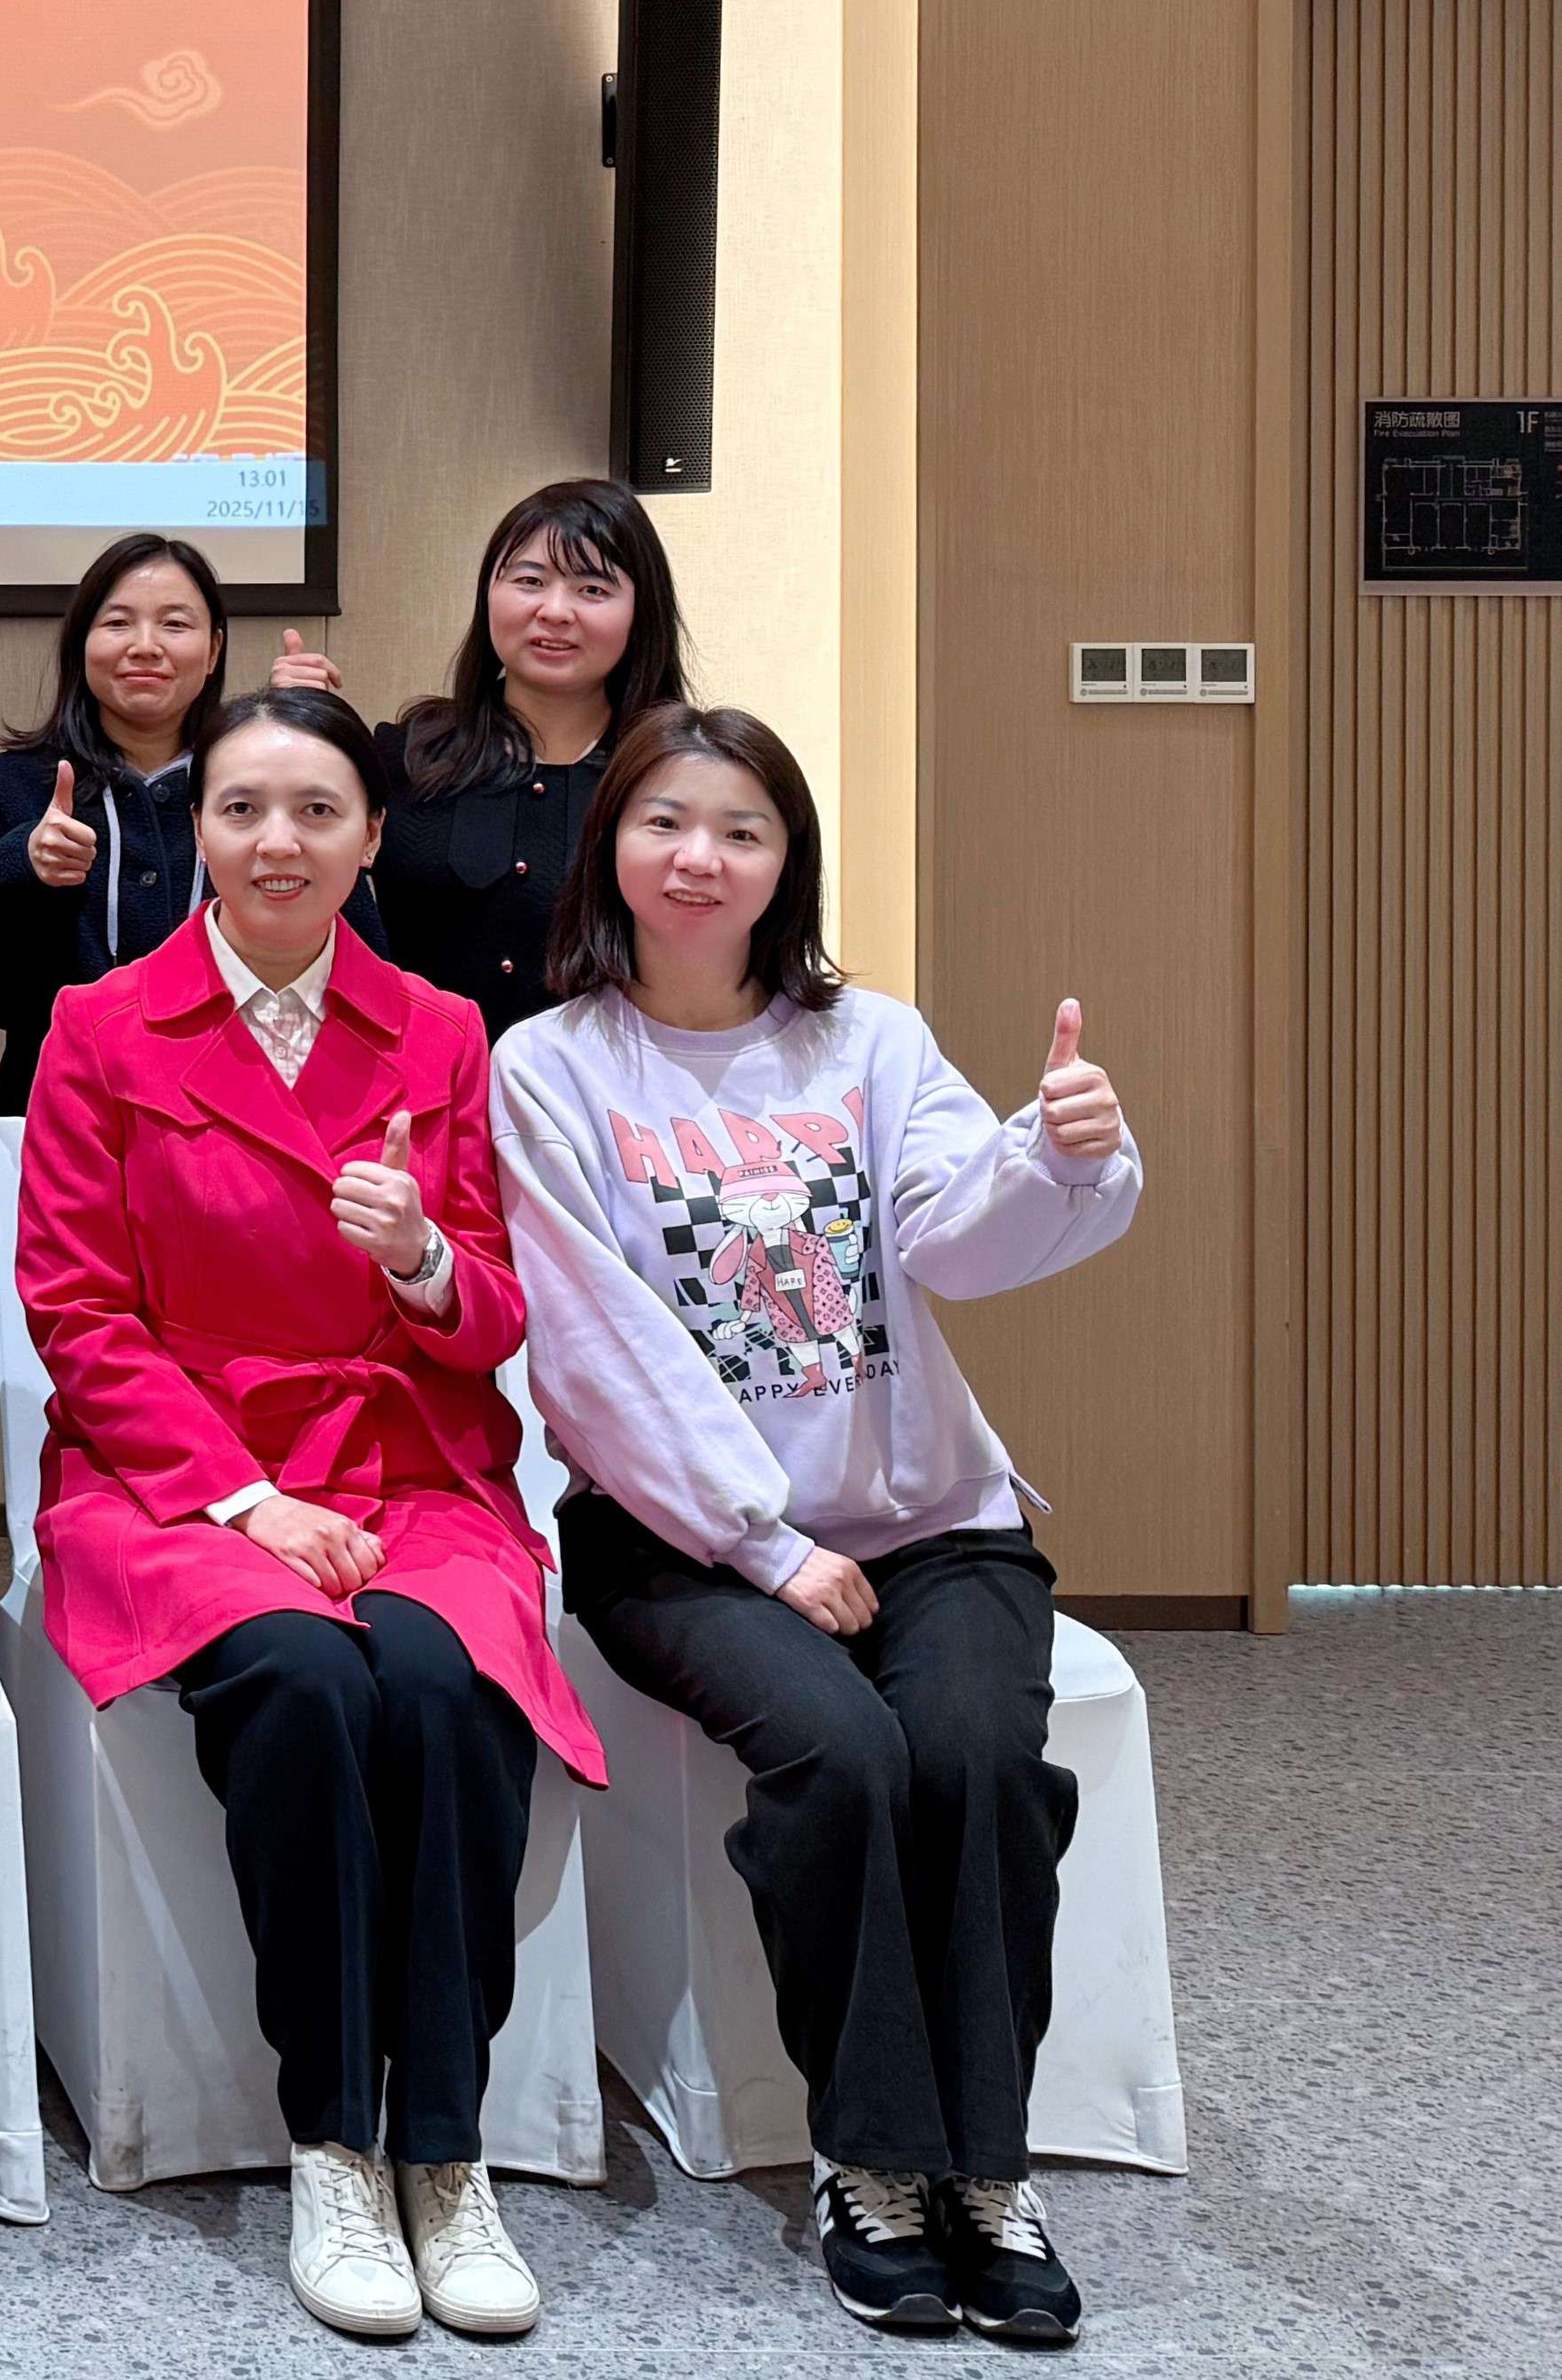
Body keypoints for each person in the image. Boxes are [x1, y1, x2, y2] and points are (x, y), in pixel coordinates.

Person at [499, 706, 1137, 2347]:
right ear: (610, 846)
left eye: (743, 829)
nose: (699, 858)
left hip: (933, 1520)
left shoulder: (871, 1040)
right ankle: (875, 2156)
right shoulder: (549, 1065)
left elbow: (958, 1238)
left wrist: (1061, 1156)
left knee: (978, 1759)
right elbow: (594, 1350)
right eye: (665, 822)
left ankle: (985, 2170)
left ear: (789, 862)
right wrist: (766, 1544)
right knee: (844, 1758)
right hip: (680, 1538)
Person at [8, 685, 603, 2346]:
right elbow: (76, 1309)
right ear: (196, 828)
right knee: (303, 1678)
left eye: (318, 810)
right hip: (177, 1474)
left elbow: (495, 1311)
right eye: (244, 808)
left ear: (372, 836)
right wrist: (249, 1498)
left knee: (444, 1685)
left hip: (408, 1462)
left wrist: (419, 1257)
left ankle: (445, 2149)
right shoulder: (101, 1024)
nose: (280, 842)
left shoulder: (441, 1030)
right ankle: (335, 2139)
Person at [275, 477, 692, 1041]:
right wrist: (296, 742)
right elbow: (302, 892)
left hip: (607, 1087)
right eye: (529, 581)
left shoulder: (677, 776)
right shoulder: (406, 758)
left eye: (593, 589)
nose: (555, 611)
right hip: (418, 1080)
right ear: (488, 595)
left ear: (642, 610)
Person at [0, 532, 234, 1121]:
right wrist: (24, 869)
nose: (145, 647)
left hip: (234, 1107)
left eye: (175, 624)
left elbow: (359, 964)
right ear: (81, 642)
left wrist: (308, 746)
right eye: (118, 623)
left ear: (213, 651)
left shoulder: (256, 788)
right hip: (60, 1111)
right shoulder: (12, 786)